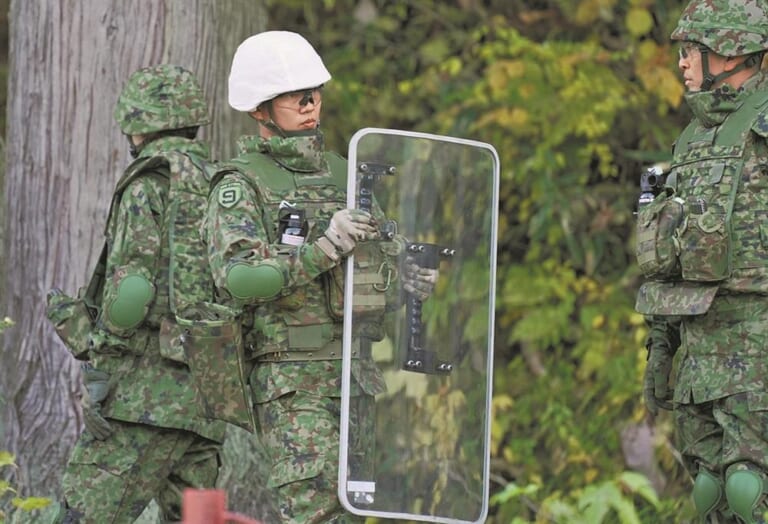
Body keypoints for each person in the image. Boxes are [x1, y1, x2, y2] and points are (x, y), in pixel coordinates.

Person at [204, 31, 438, 523]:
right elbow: (240, 278)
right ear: (260, 109)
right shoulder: (241, 183)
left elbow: (373, 272)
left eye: (314, 92)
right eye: (295, 96)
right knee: (317, 511)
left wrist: (406, 282)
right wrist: (325, 247)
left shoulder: (346, 174)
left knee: (351, 514)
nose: (310, 104)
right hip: (292, 382)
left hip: (355, 378)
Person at [48, 64, 227, 523]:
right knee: (196, 519)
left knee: (81, 516)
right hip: (206, 399)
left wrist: (102, 367)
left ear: (138, 124)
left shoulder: (148, 185)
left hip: (141, 402)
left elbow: (130, 295)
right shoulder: (225, 187)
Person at [635, 1, 768, 522]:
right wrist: (660, 346)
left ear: (731, 52)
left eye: (693, 50)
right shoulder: (693, 140)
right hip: (698, 350)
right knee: (711, 494)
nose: (683, 63)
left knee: (749, 491)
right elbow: (670, 262)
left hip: (756, 345)